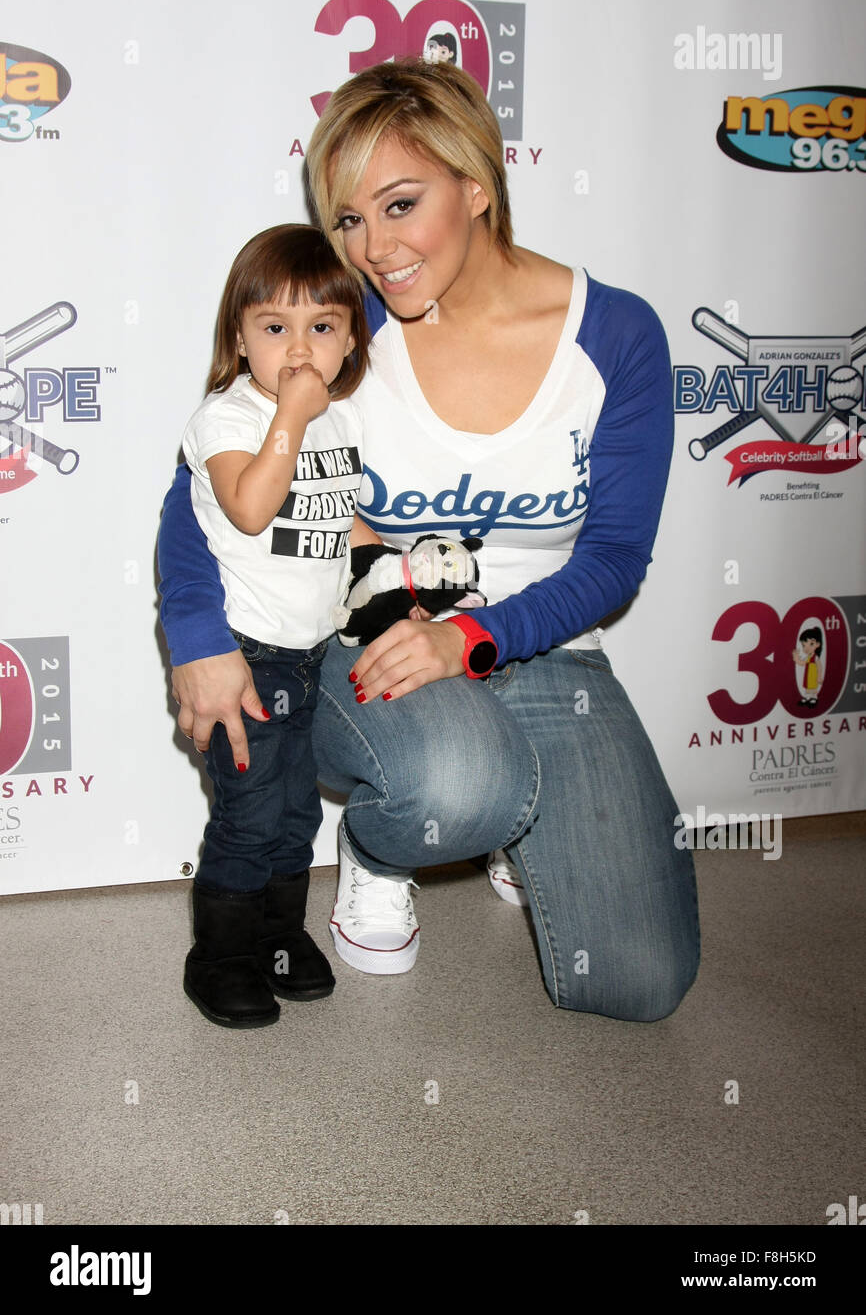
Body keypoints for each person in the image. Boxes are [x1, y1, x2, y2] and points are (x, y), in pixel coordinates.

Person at [159, 59, 700, 1020]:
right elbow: (202, 491)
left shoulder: (615, 336)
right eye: (350, 220)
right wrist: (199, 634)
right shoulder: (340, 325)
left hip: (548, 651)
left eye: (401, 205)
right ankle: (384, 846)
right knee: (455, 787)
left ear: (478, 182)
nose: (375, 249)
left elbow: (615, 558)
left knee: (640, 982)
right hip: (365, 640)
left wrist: (475, 638)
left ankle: (521, 819)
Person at [174, 223, 377, 1028]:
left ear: (350, 337)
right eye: (275, 328)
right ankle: (218, 959)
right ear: (239, 336)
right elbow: (254, 507)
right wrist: (291, 410)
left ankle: (280, 941)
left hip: (312, 654)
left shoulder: (343, 421)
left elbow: (341, 520)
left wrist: (397, 568)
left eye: (322, 328)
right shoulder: (224, 420)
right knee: (249, 815)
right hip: (247, 656)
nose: (300, 350)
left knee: (296, 813)